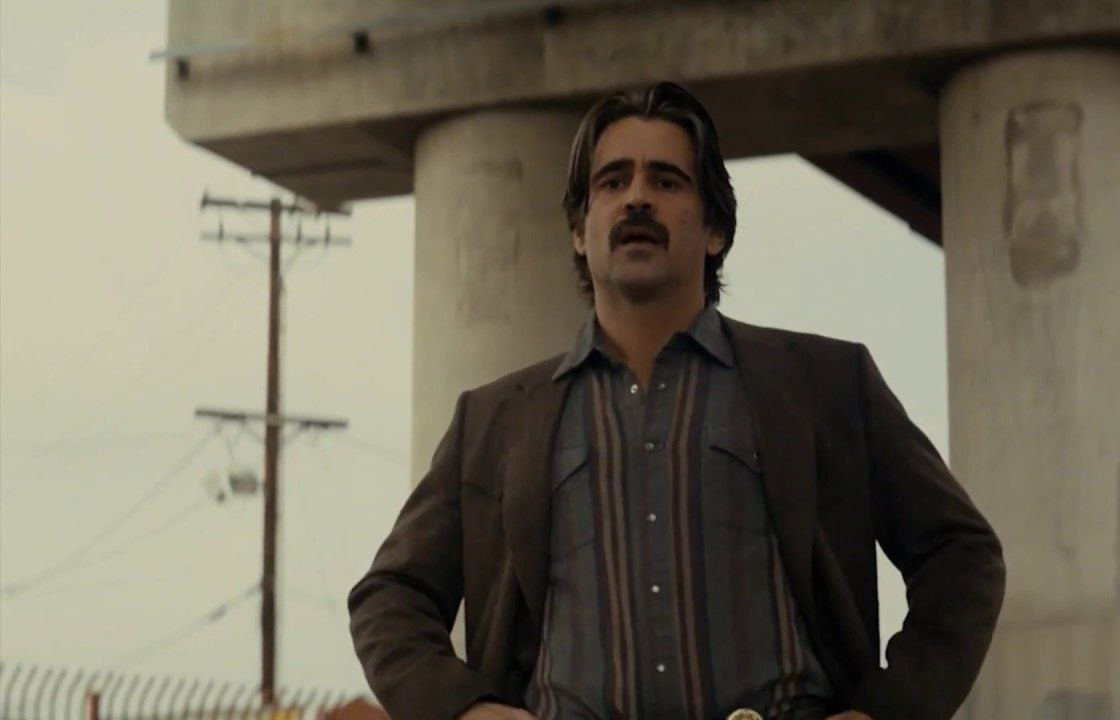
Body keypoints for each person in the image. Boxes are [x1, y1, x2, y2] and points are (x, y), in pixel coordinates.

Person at [349, 81, 1005, 720]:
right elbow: (389, 598)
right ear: (579, 230)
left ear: (715, 228)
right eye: (613, 182)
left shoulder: (826, 385)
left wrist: (887, 710)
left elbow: (961, 554)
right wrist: (465, 709)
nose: (637, 198)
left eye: (666, 181)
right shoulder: (496, 421)